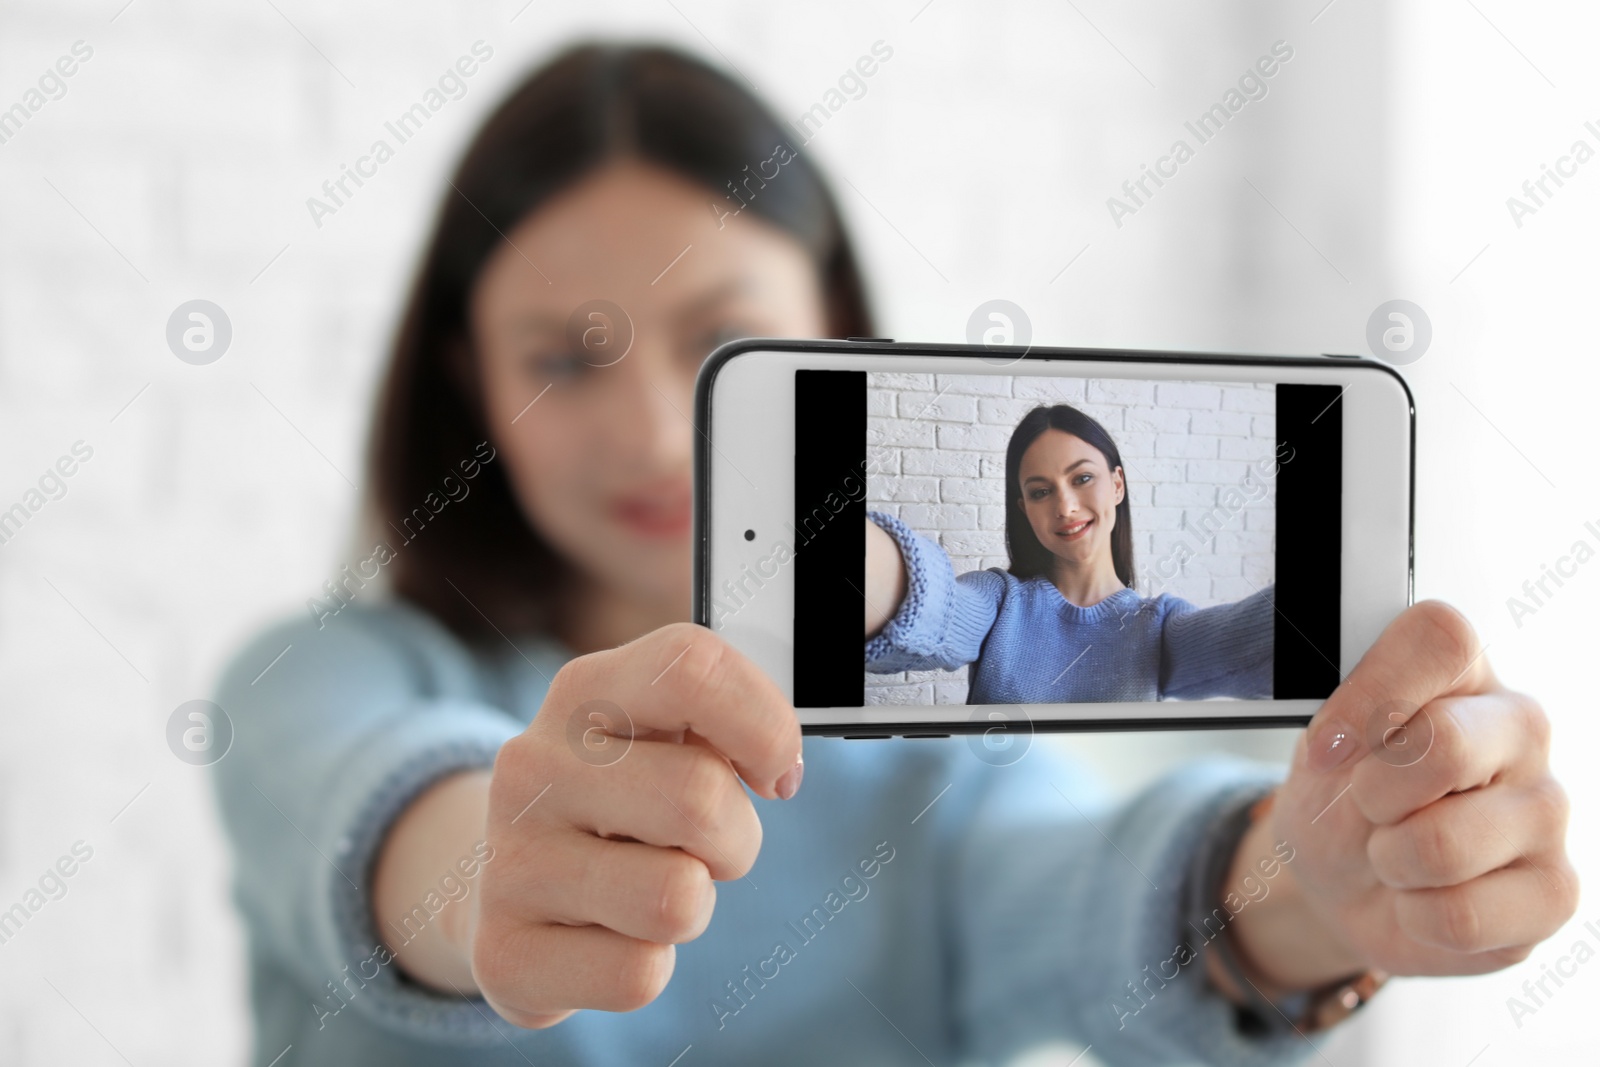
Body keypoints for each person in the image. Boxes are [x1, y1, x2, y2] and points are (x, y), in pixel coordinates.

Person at [212, 42, 1577, 1067]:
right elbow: (376, 805)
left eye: (716, 340)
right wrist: (488, 871)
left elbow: (1101, 888)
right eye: (565, 357)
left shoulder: (948, 775)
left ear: (834, 334)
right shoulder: (309, 680)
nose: (652, 434)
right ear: (466, 382)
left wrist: (1319, 883)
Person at [864, 402, 1275, 703]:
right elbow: (933, 607)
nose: (1065, 507)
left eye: (1081, 478)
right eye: (1041, 492)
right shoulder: (999, 602)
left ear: (1117, 485)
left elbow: (1252, 646)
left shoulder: (1158, 626)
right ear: (1025, 509)